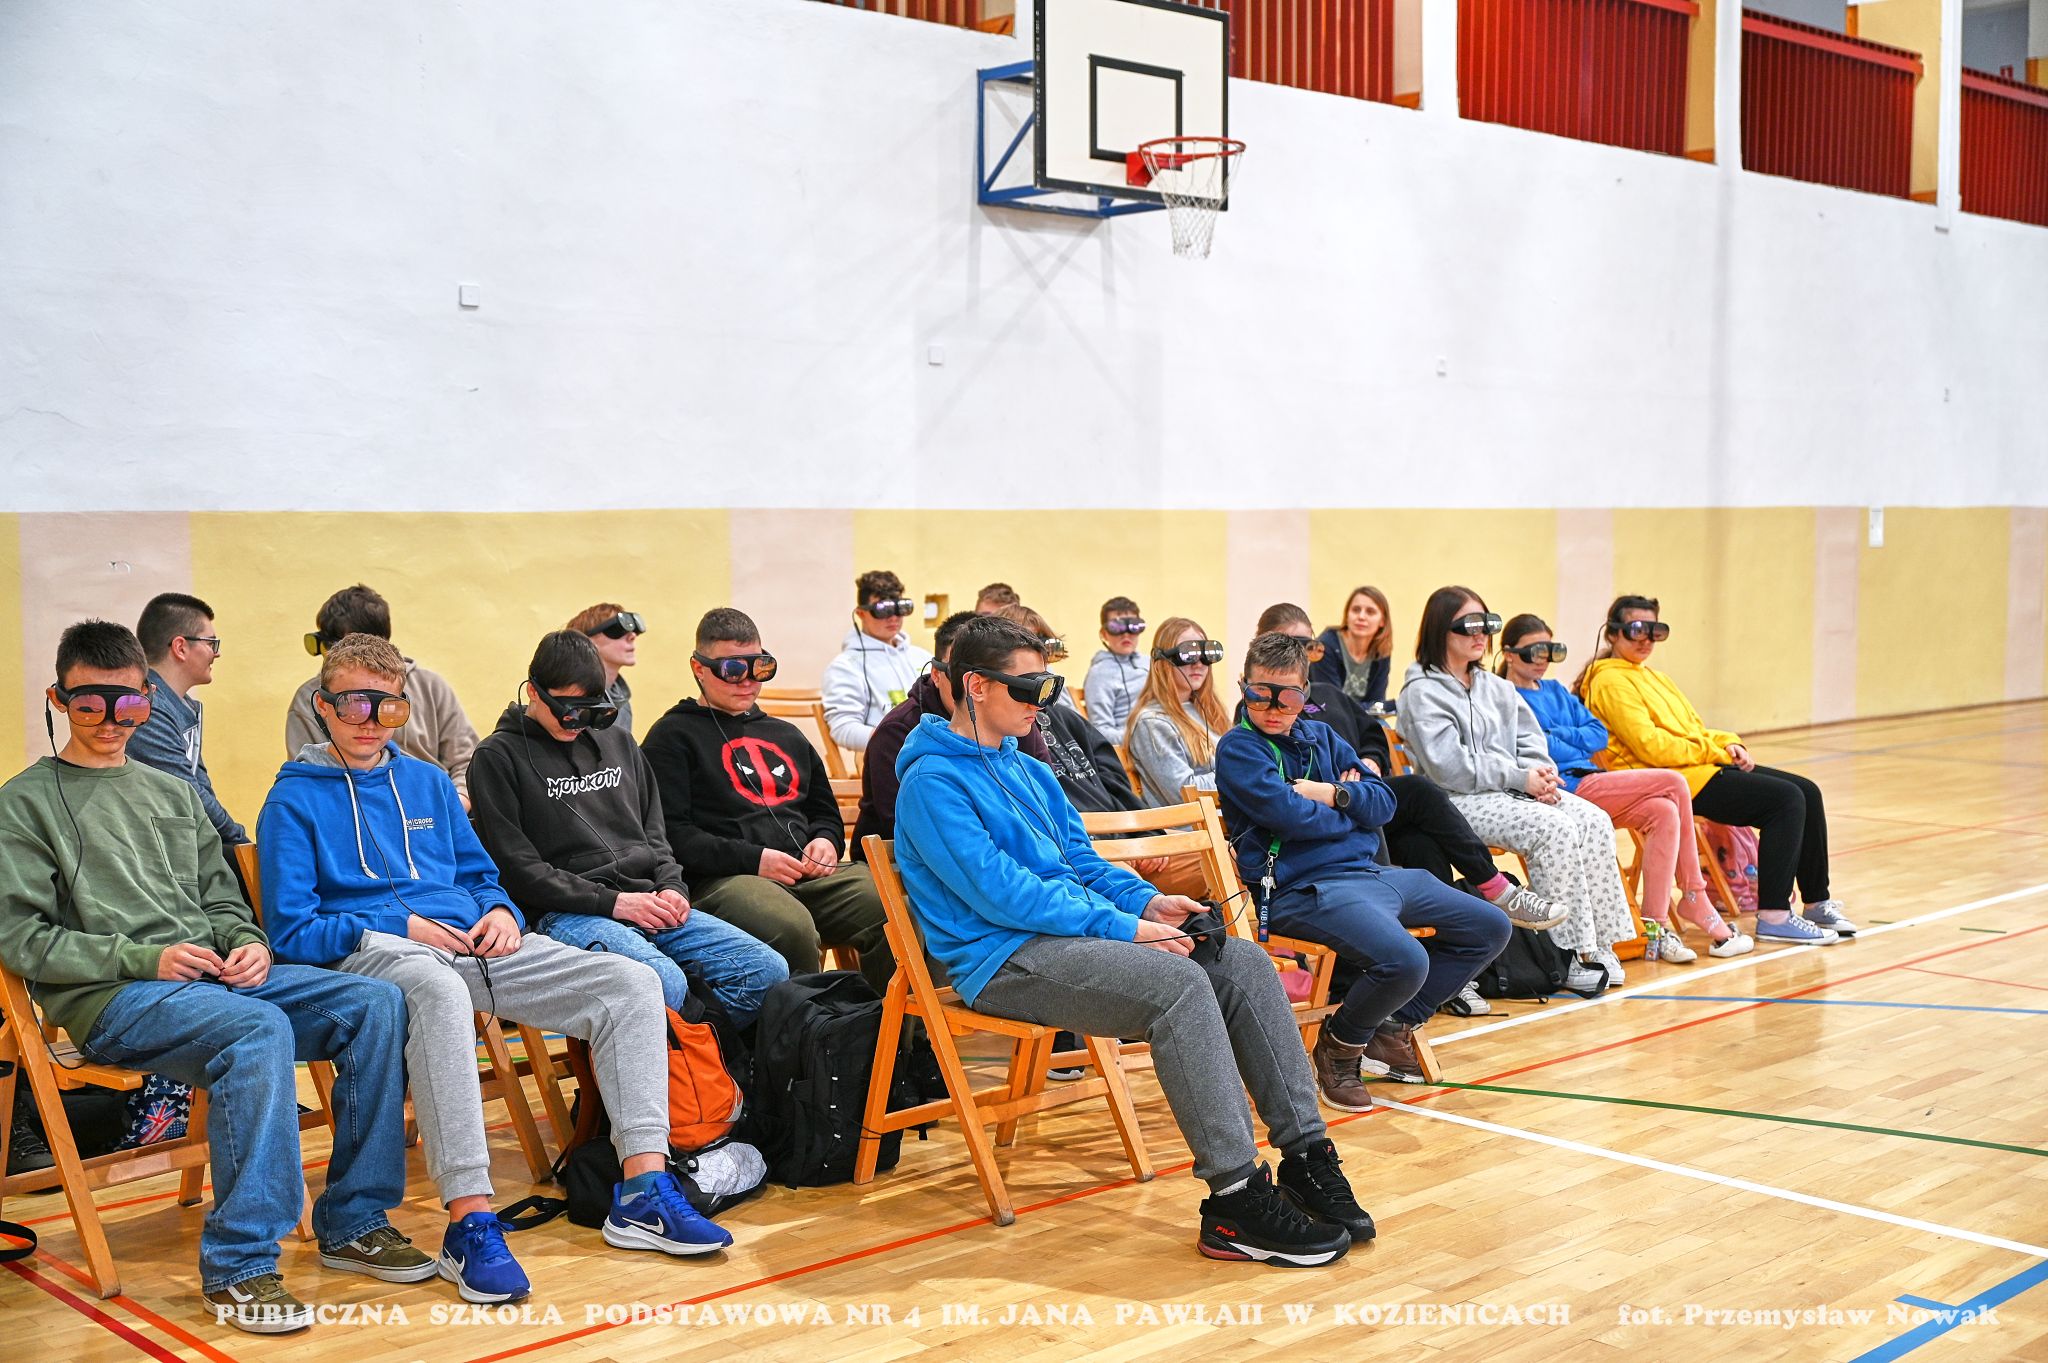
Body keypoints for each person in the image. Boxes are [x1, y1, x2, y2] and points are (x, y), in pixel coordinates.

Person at [258, 633, 731, 1305]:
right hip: (375, 948)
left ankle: (643, 1190)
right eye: (354, 703)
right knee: (439, 989)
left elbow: (482, 877)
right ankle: (470, 1220)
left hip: (475, 942)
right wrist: (401, 925)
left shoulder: (426, 782)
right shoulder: (292, 800)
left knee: (630, 982)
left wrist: (503, 911)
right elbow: (293, 931)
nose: (371, 720)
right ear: (323, 706)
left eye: (388, 706)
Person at [894, 615, 1370, 1265]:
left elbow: (1083, 864)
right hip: (1002, 957)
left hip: (1066, 937)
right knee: (1181, 988)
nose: (1044, 702)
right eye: (1030, 688)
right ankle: (1235, 1199)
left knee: (1243, 962)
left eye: (1049, 686)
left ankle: (1307, 1156)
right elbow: (1002, 895)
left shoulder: (1028, 769)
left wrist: (1147, 901)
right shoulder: (931, 781)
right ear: (976, 685)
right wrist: (1124, 926)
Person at [0, 621, 428, 1334]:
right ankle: (239, 1266)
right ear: (58, 699)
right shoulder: (25, 802)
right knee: (256, 1028)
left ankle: (355, 1220)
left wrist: (248, 943)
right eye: (89, 704)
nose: (111, 721)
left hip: (214, 984)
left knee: (377, 1002)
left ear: (148, 699)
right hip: (117, 1001)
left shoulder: (172, 791)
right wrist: (146, 959)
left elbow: (223, 899)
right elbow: (21, 940)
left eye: (130, 705)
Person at [1216, 633, 1513, 1104]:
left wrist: (1331, 793)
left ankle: (1391, 1025)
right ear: (1243, 687)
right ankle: (1340, 1046)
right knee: (1407, 960)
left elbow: (1384, 803)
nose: (1272, 708)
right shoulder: (1239, 748)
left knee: (1491, 925)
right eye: (1259, 694)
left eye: (1287, 697)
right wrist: (1352, 814)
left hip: (1368, 875)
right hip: (1302, 890)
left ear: (1305, 693)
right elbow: (1289, 817)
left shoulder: (1322, 735)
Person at [467, 631, 788, 1026]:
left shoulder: (618, 742)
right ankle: (695, 1053)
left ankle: (698, 1055)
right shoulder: (496, 757)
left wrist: (672, 888)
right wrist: (615, 903)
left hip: (647, 900)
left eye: (591, 711)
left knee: (765, 970)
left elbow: (656, 837)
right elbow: (519, 871)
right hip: (565, 913)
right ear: (533, 691)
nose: (578, 723)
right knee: (663, 983)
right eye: (568, 710)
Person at [1256, 605, 1567, 957]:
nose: (1299, 656)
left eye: (1308, 647)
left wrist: (1371, 760)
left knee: (1422, 838)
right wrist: (1338, 788)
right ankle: (1491, 889)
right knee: (1419, 799)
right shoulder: (1263, 710)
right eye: (1290, 645)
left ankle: (1449, 954)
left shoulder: (1328, 693)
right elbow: (1286, 779)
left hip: (1364, 799)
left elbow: (1372, 732)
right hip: (1333, 815)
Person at [642, 609, 894, 995]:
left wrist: (825, 841)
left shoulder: (786, 734)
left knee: (891, 906)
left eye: (760, 667)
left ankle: (892, 1029)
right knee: (789, 926)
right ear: (699, 668)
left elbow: (823, 811)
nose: (747, 681)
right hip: (725, 880)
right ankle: (813, 1030)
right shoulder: (672, 737)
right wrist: (755, 860)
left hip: (804, 873)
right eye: (732, 669)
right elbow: (671, 835)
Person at [1577, 595, 1855, 945]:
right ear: (1613, 634)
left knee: (1808, 791)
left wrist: (1730, 743)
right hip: (1667, 781)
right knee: (1785, 800)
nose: (1646, 639)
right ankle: (1774, 915)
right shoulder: (1608, 681)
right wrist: (1716, 751)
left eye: (1655, 631)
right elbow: (1651, 747)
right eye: (1637, 630)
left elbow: (1694, 728)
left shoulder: (1653, 677)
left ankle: (1816, 903)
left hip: (1699, 767)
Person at [1399, 587, 1638, 992]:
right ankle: (1565, 954)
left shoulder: (1495, 687)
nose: (1481, 634)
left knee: (1594, 820)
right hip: (1458, 801)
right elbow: (1449, 767)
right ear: (1440, 629)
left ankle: (1600, 946)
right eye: (1468, 626)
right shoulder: (1421, 691)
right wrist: (1517, 777)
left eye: (1486, 624)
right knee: (1553, 829)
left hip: (1513, 790)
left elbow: (1530, 740)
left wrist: (1538, 776)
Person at [1499, 614, 1753, 961]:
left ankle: (1654, 929)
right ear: (1509, 654)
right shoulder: (1505, 696)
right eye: (1534, 651)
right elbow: (1541, 748)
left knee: (1664, 811)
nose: (1543, 659)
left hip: (1591, 779)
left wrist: (1560, 735)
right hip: (1562, 788)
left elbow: (1597, 735)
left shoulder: (1555, 690)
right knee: (1673, 781)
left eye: (1551, 651)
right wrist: (1568, 739)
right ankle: (1694, 894)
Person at [852, 610, 1053, 855]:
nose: (1034, 704)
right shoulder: (900, 734)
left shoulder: (1015, 726)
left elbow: (1064, 836)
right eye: (956, 670)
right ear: (937, 675)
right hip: (900, 862)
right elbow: (915, 828)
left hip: (1020, 863)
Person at [284, 584, 479, 807]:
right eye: (351, 705)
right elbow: (309, 781)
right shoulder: (308, 699)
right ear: (322, 705)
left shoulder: (432, 687)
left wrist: (451, 808)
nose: (369, 724)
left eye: (338, 645)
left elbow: (467, 762)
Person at [129, 592, 248, 849]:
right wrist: (242, 843)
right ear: (180, 647)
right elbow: (189, 793)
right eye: (211, 643)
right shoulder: (148, 707)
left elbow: (201, 786)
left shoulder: (181, 704)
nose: (216, 653)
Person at [822, 570, 934, 753]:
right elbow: (843, 728)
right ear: (861, 613)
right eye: (883, 609)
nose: (894, 617)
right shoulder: (845, 666)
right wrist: (897, 741)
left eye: (901, 608)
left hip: (934, 753)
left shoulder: (922, 657)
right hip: (889, 757)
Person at [1124, 617, 1229, 807]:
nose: (1199, 664)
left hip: (1227, 818)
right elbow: (1184, 791)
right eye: (1188, 654)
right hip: (1194, 824)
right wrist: (1240, 773)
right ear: (1163, 662)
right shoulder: (1152, 723)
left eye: (1206, 654)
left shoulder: (1210, 711)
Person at [567, 603, 646, 737]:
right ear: (587, 641)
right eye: (617, 630)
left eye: (633, 630)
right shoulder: (573, 698)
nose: (632, 636)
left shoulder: (622, 705)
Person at [1311, 587, 1393, 712]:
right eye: (1356, 610)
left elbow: (1377, 703)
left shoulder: (1381, 652)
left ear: (1382, 621)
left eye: (1370, 612)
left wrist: (1378, 708)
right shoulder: (1324, 647)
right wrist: (1382, 707)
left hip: (1361, 718)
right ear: (1347, 615)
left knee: (1383, 725)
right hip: (1324, 716)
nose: (1361, 616)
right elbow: (1333, 703)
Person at [1084, 596, 1148, 744]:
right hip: (1136, 745)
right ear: (1104, 633)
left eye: (1133, 626)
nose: (1126, 634)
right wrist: (1143, 738)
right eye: (1116, 627)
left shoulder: (1151, 663)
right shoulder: (1099, 673)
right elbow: (1101, 730)